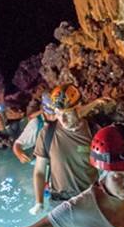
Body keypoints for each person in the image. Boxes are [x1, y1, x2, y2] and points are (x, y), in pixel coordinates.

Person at [27, 83, 113, 215]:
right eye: (58, 113)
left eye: (67, 113)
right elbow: (39, 171)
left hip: (90, 199)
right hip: (59, 201)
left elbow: (108, 170)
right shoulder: (47, 133)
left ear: (78, 108)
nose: (62, 119)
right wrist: (39, 202)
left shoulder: (94, 132)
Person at [12, 91, 56, 164]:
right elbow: (17, 144)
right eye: (52, 114)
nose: (55, 117)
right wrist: (19, 154)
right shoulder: (36, 123)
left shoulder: (63, 120)